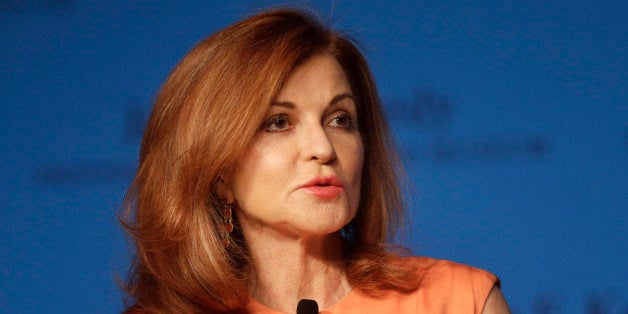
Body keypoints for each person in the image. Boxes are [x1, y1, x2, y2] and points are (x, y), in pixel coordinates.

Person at [119, 8, 510, 314]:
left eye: (341, 120)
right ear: (218, 174)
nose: (323, 148)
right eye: (277, 122)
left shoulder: (460, 301)